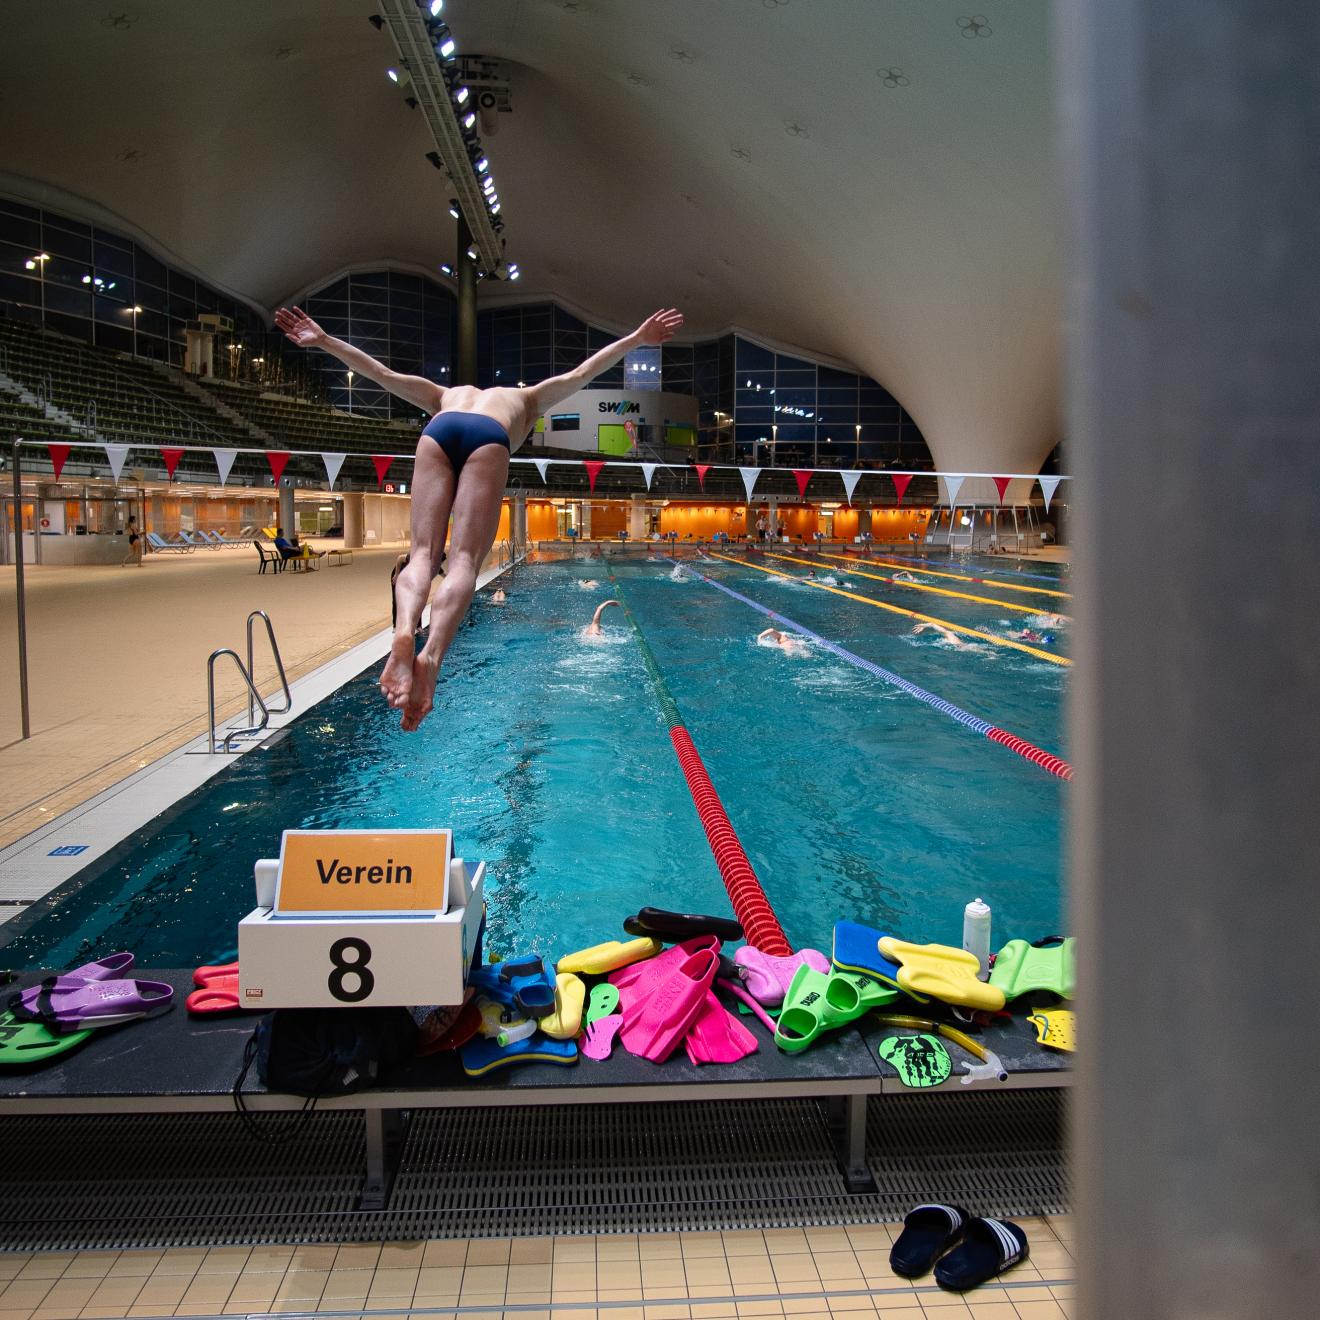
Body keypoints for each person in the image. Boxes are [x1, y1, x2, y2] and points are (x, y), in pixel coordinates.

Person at [276, 303, 683, 731]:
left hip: (439, 430)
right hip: (489, 437)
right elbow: (582, 373)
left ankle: (402, 631)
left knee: (420, 556)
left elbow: (383, 376)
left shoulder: (445, 394)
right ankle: (430, 656)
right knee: (465, 559)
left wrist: (323, 341)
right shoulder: (526, 400)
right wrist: (637, 338)